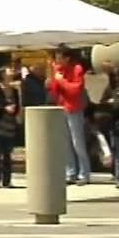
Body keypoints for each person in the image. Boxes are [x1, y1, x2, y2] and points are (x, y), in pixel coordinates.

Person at [48, 47, 91, 185]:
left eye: (59, 58)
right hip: (62, 108)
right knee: (65, 143)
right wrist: (54, 77)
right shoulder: (59, 70)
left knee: (77, 142)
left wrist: (61, 81)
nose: (57, 61)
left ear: (67, 58)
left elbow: (75, 90)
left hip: (74, 108)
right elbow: (54, 91)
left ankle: (84, 173)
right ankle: (70, 172)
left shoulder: (77, 69)